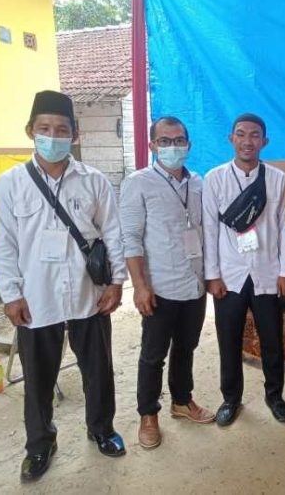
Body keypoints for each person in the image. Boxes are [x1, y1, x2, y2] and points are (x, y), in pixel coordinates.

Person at [0, 90, 127, 482]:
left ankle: (101, 429)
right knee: (39, 378)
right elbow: (4, 243)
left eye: (62, 129)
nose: (53, 136)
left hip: (89, 294)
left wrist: (117, 282)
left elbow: (113, 234)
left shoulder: (94, 181)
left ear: (75, 134)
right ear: (30, 131)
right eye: (45, 128)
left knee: (98, 370)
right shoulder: (10, 184)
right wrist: (11, 294)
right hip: (37, 298)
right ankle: (40, 445)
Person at [120, 116, 215, 450]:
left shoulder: (198, 183)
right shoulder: (138, 183)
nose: (172, 147)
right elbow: (130, 238)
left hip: (194, 284)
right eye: (165, 141)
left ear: (188, 144)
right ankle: (148, 414)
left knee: (187, 347)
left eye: (178, 140)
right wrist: (140, 286)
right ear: (152, 146)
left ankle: (182, 401)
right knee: (153, 355)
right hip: (159, 287)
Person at [202, 113, 285, 426]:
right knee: (228, 340)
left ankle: (275, 396)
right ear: (231, 138)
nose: (247, 141)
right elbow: (209, 230)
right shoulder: (215, 178)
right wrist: (212, 275)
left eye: (255, 135)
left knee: (272, 340)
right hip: (229, 275)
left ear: (264, 141)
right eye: (241, 134)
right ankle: (231, 399)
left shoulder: (277, 179)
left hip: (267, 273)